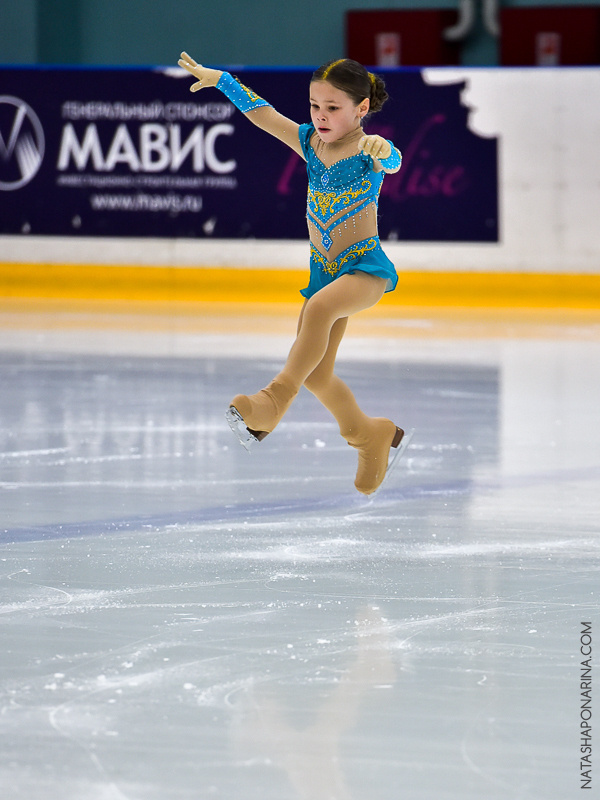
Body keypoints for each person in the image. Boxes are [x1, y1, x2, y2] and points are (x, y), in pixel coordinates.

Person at [178, 52, 411, 495]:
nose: (320, 116)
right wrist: (222, 79)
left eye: (333, 108)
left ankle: (273, 400)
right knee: (318, 373)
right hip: (325, 274)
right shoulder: (310, 142)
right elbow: (263, 115)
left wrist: (386, 150)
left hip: (364, 269)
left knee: (319, 311)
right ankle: (368, 434)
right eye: (314, 106)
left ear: (361, 109)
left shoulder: (367, 152)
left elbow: (393, 160)